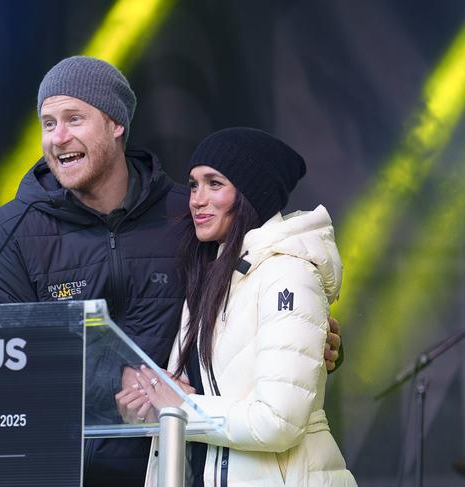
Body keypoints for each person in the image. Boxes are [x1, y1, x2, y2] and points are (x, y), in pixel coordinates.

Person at [0, 57, 343, 486]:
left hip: (171, 466)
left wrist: (312, 339)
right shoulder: (11, 230)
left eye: (75, 118)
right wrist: (118, 379)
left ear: (116, 124)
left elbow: (257, 297)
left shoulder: (188, 215)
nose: (59, 137)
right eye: (48, 123)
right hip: (57, 470)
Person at [127, 128, 357, 485]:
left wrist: (182, 407)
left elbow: (278, 422)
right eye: (193, 184)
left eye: (214, 184)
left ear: (252, 194)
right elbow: (197, 393)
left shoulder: (288, 273)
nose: (196, 200)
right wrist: (144, 402)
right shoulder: (211, 276)